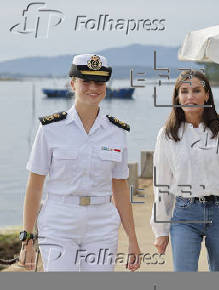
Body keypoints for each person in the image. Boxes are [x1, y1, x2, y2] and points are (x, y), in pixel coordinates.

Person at [18, 54, 140, 272]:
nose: (93, 87)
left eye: (99, 82)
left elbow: (120, 187)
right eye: (86, 81)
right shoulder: (50, 128)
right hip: (59, 221)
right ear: (73, 83)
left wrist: (132, 238)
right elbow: (35, 186)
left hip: (102, 223)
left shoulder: (117, 132)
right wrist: (27, 238)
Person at [150, 70, 219, 271]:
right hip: (185, 213)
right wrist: (160, 230)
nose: (190, 97)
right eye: (184, 91)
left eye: (196, 90)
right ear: (177, 97)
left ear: (206, 95)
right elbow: (161, 183)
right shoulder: (167, 134)